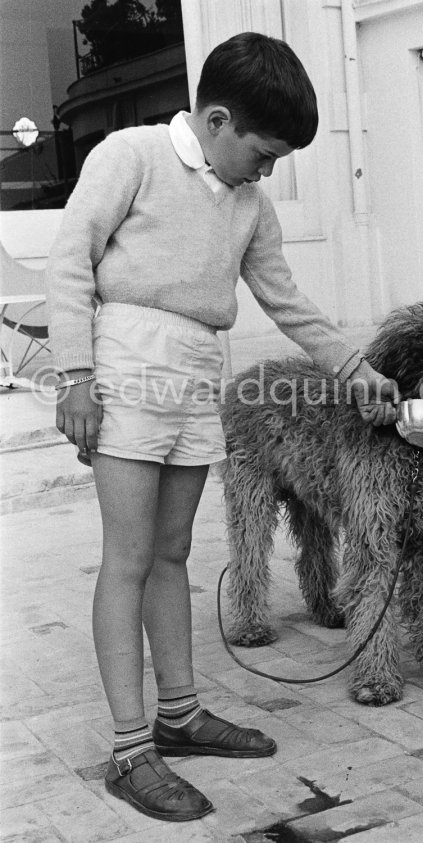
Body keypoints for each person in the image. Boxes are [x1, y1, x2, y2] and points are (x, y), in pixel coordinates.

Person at [45, 32, 399, 823]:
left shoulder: (249, 205)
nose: (267, 170)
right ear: (216, 119)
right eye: (264, 152)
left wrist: (356, 368)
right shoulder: (129, 155)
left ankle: (179, 715)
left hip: (196, 367)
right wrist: (74, 377)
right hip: (127, 361)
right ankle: (132, 748)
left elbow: (287, 300)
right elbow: (69, 258)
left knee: (171, 552)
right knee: (128, 557)